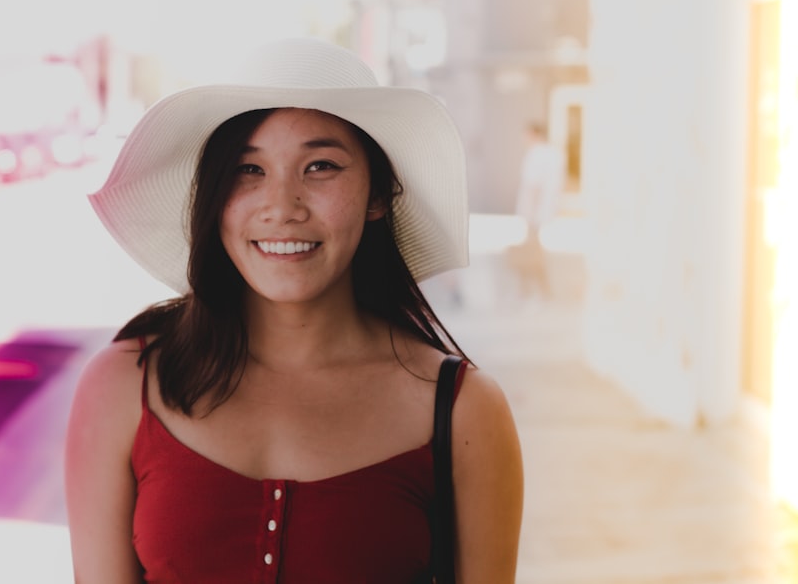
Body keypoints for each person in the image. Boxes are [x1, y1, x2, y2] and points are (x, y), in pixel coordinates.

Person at [65, 38, 523, 583]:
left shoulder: (463, 411)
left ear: (378, 195)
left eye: (321, 166)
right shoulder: (122, 389)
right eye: (248, 170)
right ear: (213, 197)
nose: (282, 207)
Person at [509, 121, 566, 303]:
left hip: (533, 212)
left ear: (534, 134)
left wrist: (529, 213)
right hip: (543, 211)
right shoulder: (554, 154)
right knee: (534, 249)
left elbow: (534, 186)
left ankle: (533, 290)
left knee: (531, 251)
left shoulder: (536, 154)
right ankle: (538, 289)